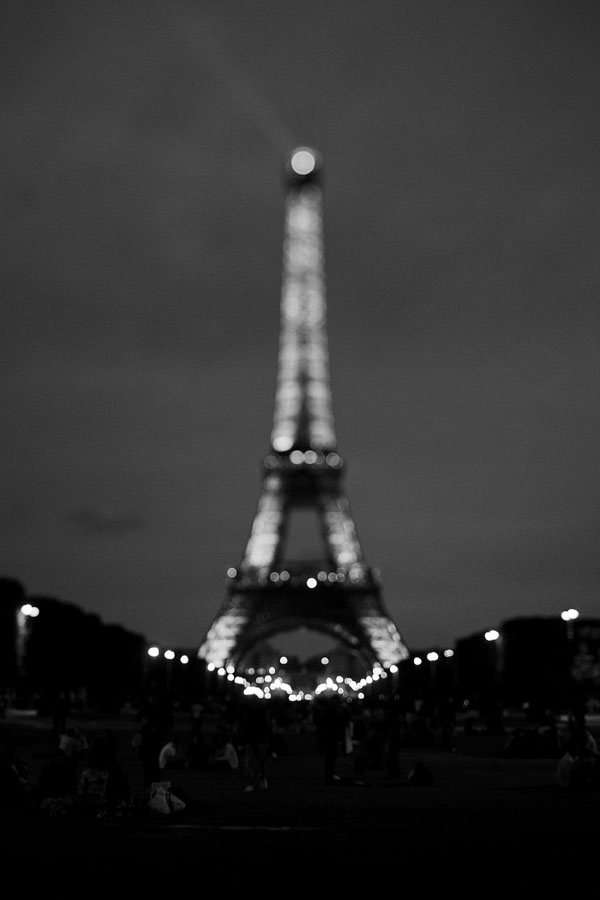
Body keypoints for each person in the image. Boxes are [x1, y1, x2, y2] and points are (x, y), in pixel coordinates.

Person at [237, 694, 271, 791]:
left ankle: (253, 782)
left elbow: (243, 725)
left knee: (253, 763)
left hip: (255, 739)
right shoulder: (259, 711)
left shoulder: (252, 712)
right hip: (254, 739)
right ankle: (258, 781)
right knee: (256, 763)